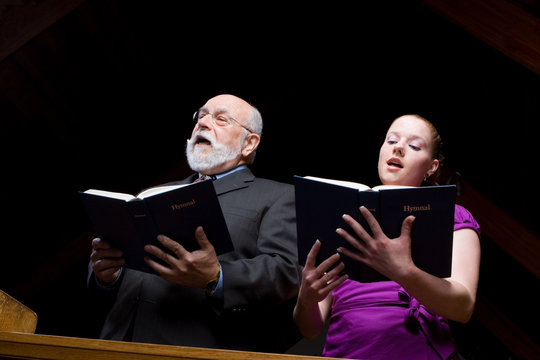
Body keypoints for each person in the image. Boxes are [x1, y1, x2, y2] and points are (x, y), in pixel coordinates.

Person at [88, 94, 301, 352]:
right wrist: (108, 274)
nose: (203, 123)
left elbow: (286, 272)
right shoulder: (152, 194)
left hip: (193, 349)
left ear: (249, 143)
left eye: (220, 119)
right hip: (113, 346)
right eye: (200, 116)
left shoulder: (277, 197)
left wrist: (216, 276)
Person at [293, 114, 481, 360]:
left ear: (432, 167)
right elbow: (309, 329)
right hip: (345, 351)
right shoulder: (340, 212)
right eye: (391, 140)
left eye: (414, 146)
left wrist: (403, 271)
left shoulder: (453, 217)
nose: (399, 148)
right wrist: (306, 298)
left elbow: (463, 307)